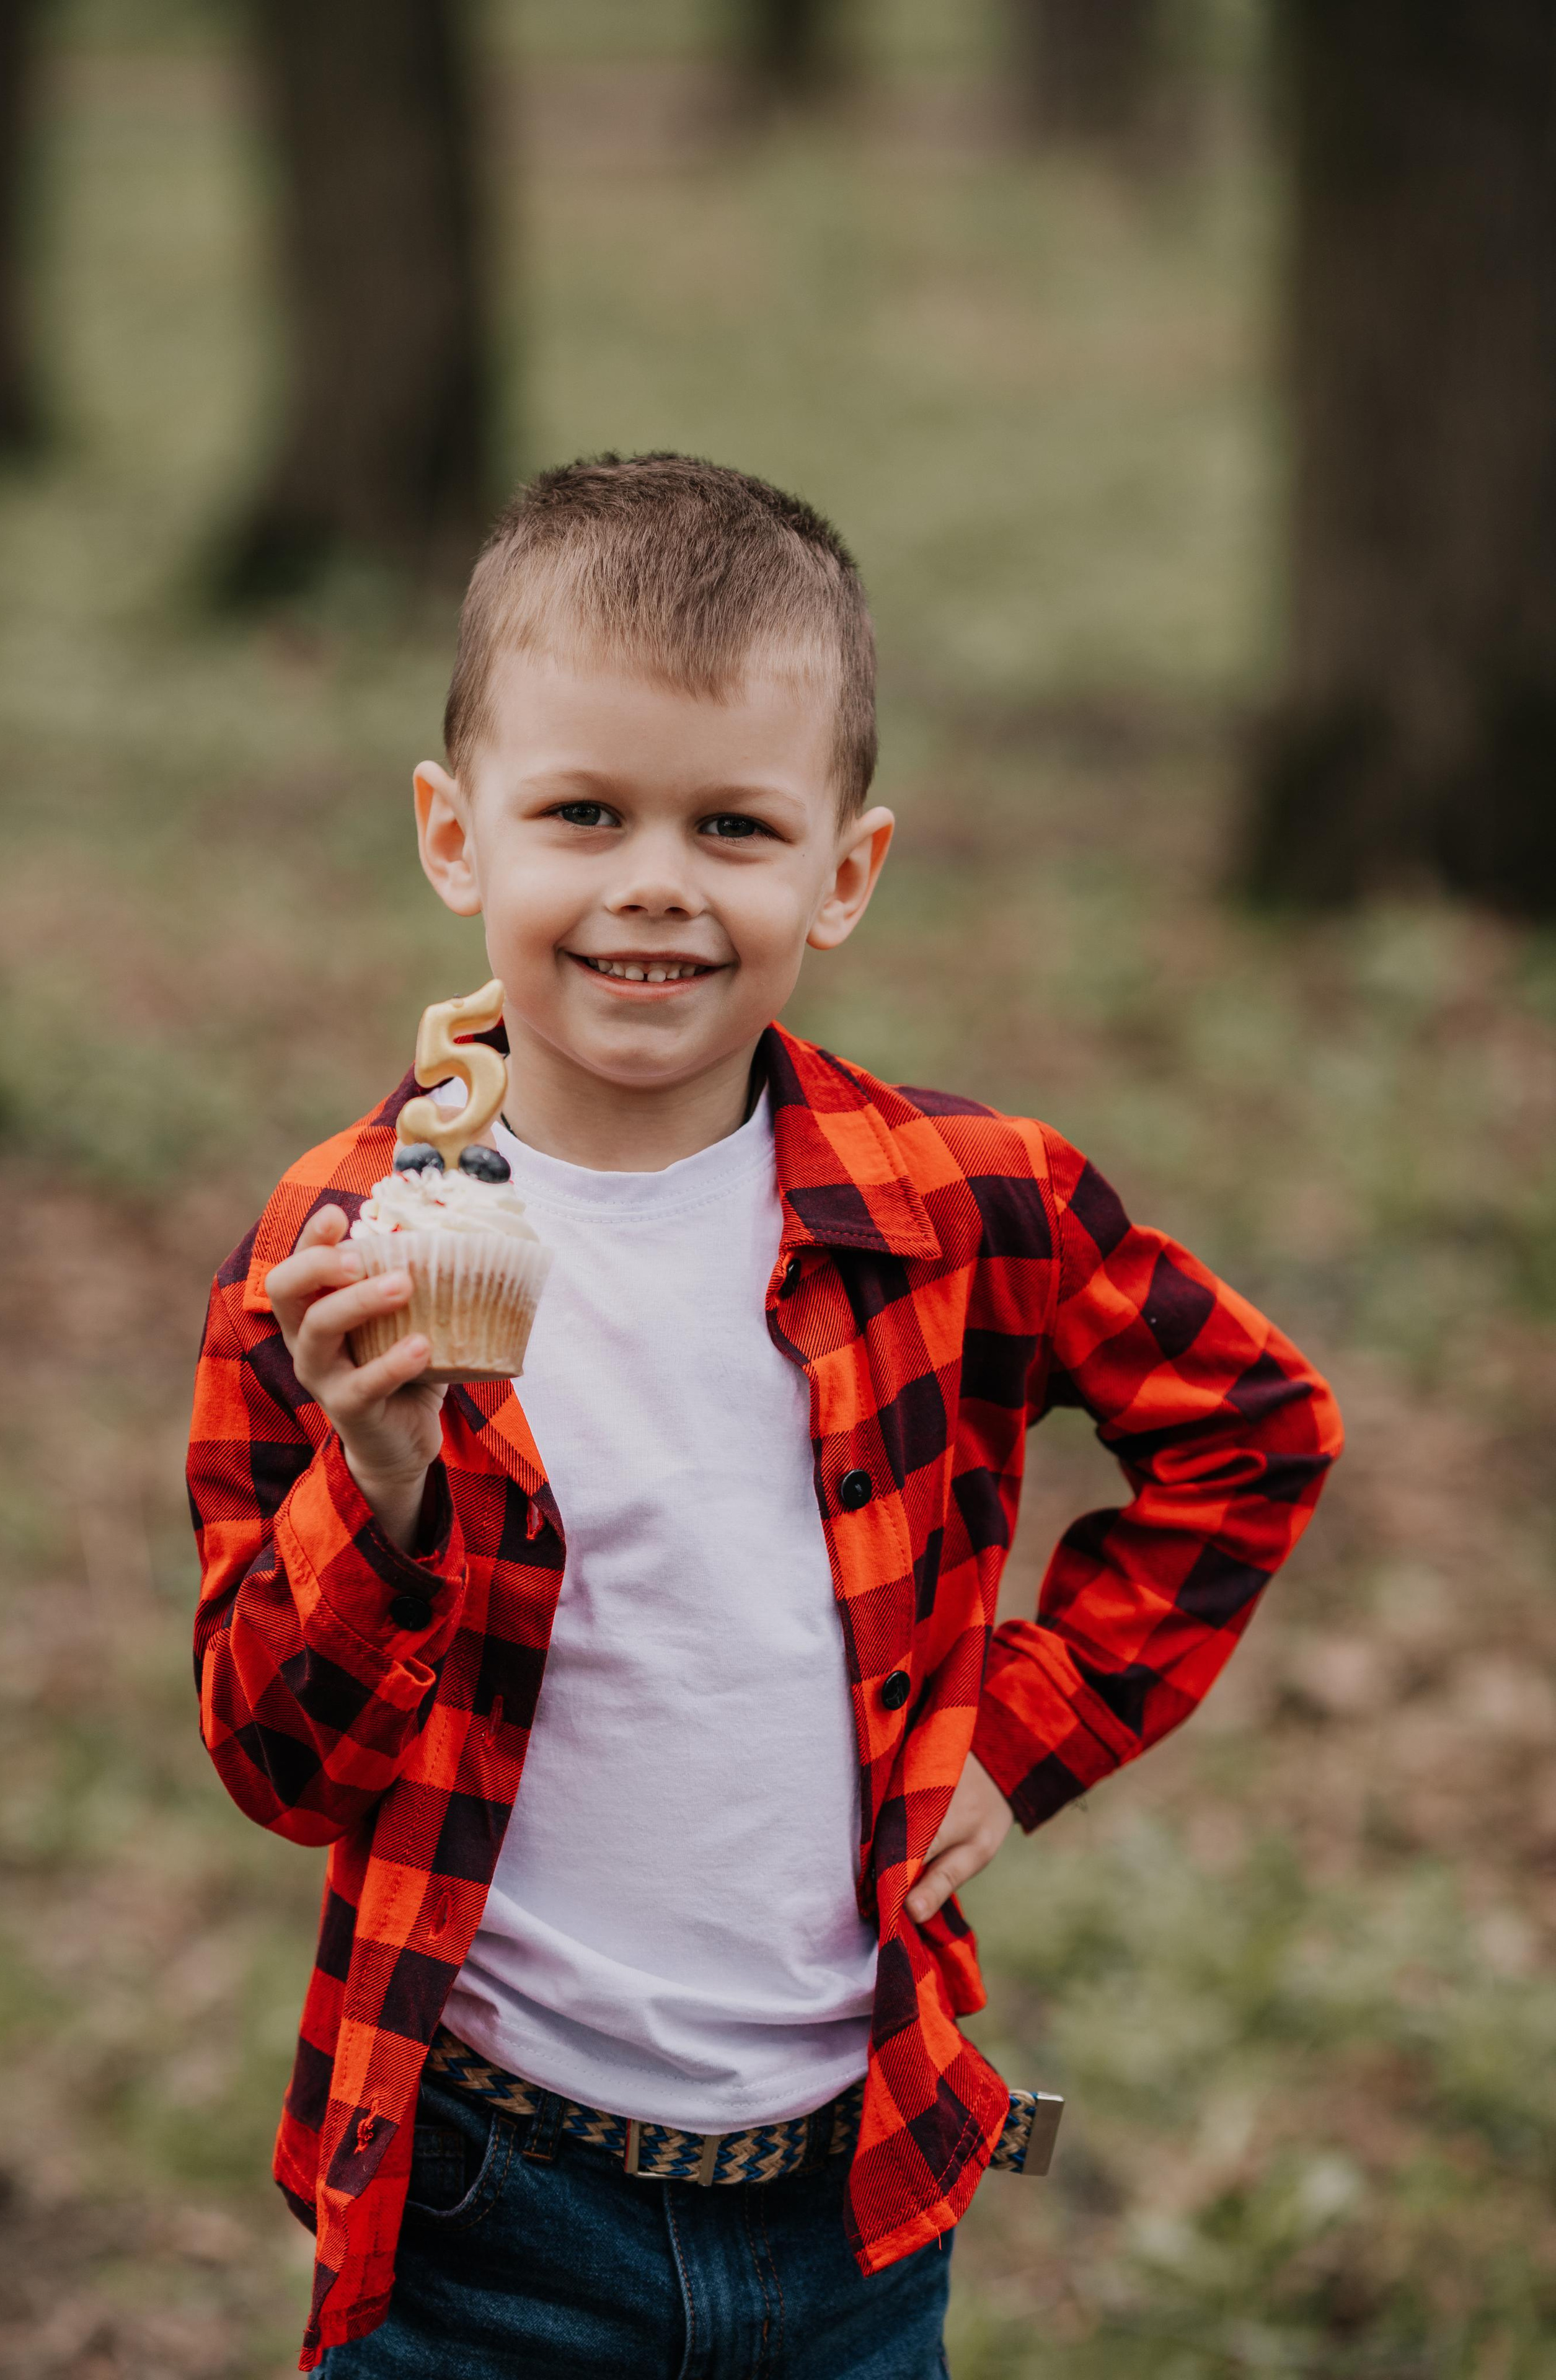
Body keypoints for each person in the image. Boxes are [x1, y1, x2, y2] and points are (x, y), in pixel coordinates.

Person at [187, 453, 1342, 2378]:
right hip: (480, 2199)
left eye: (734, 825)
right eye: (582, 813)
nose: (655, 880)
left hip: (852, 2208)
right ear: (454, 836)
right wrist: (378, 1490)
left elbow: (1255, 1432)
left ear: (846, 870)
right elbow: (276, 1766)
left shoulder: (970, 1207)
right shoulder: (339, 1251)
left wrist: (1020, 1736)